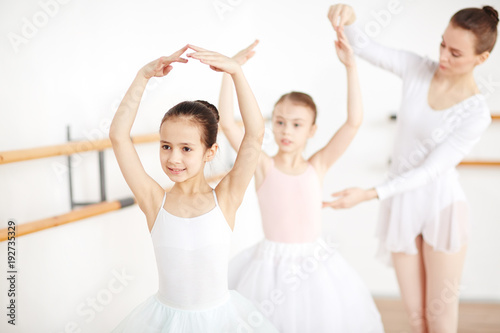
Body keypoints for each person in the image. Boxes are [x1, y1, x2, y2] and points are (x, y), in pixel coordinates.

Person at [324, 4, 498, 333]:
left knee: (441, 319)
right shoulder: (418, 69)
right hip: (402, 205)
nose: (444, 56)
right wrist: (348, 16)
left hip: (441, 208)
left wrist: (369, 194)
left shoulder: (475, 114)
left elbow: (431, 170)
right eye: (442, 44)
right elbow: (364, 46)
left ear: (482, 59)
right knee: (417, 318)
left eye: (456, 53)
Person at [219, 30, 384, 332]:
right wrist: (230, 71)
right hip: (268, 266)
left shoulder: (317, 165)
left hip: (314, 267)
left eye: (297, 124)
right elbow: (228, 123)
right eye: (279, 122)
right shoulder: (262, 164)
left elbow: (353, 122)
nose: (286, 131)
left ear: (312, 130)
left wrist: (351, 66)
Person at [109, 44, 278, 332]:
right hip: (166, 321)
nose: (173, 158)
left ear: (210, 152)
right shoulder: (153, 201)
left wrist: (236, 72)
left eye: (186, 148)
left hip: (220, 321)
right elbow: (118, 136)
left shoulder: (226, 197)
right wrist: (142, 77)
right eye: (166, 146)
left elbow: (255, 134)